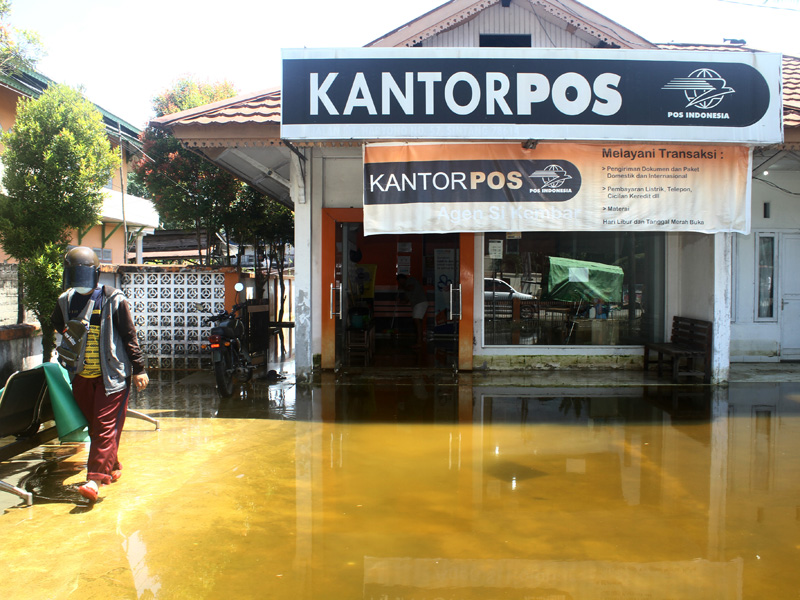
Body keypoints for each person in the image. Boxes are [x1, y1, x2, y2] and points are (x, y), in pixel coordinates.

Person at [51, 246, 149, 503]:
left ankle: (94, 480)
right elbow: (57, 324)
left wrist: (138, 369)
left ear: (95, 275)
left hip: (112, 378)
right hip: (82, 376)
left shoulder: (113, 298)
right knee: (95, 426)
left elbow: (129, 336)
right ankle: (112, 465)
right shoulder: (65, 301)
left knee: (104, 428)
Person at [396, 273, 428, 348]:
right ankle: (419, 340)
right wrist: (400, 301)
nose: (400, 283)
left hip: (420, 302)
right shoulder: (406, 288)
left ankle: (419, 342)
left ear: (403, 279)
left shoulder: (411, 280)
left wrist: (402, 287)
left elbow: (411, 288)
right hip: (417, 304)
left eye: (400, 281)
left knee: (417, 321)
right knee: (417, 321)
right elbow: (406, 301)